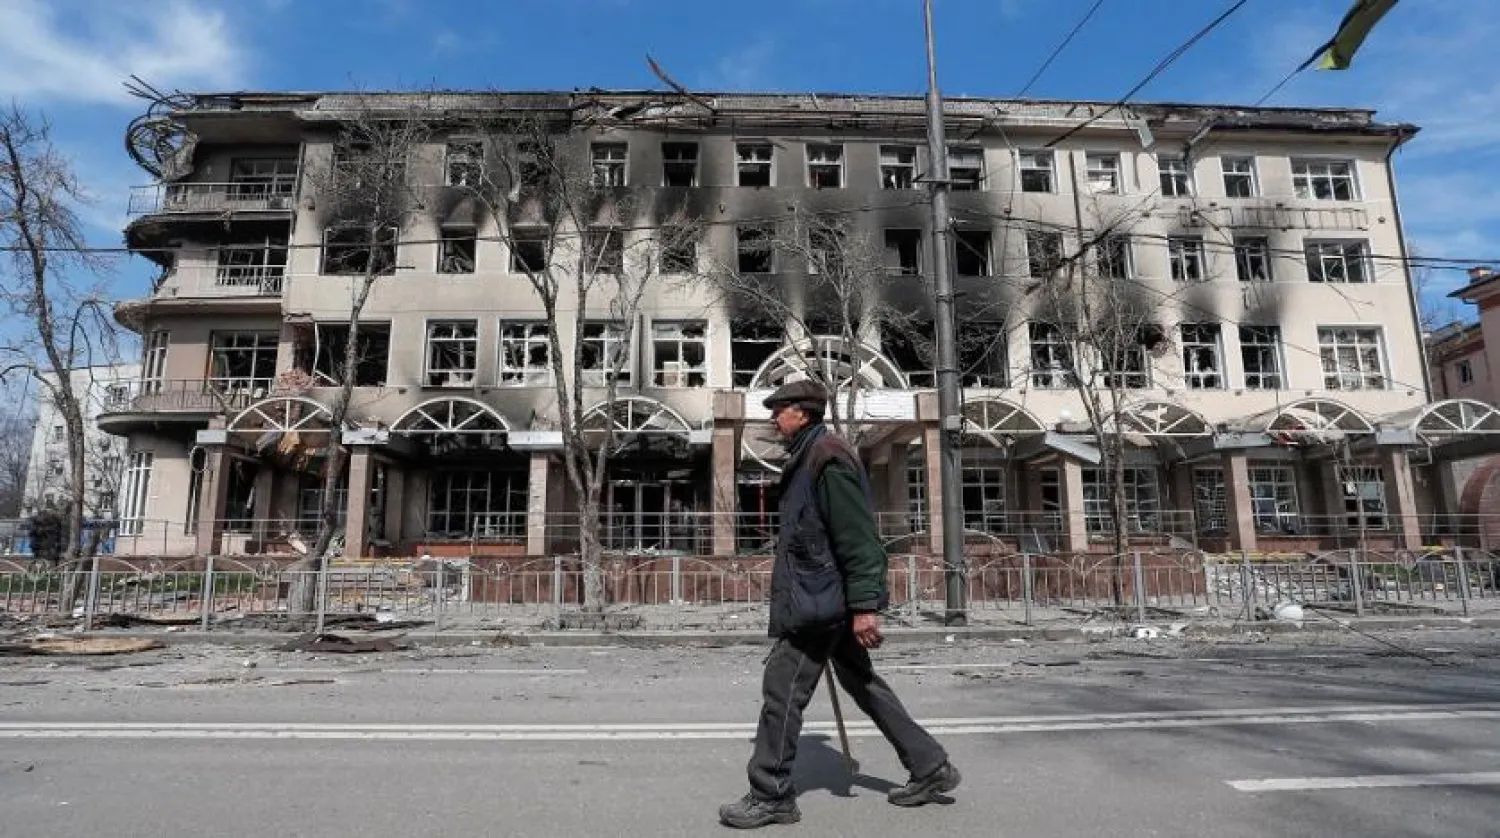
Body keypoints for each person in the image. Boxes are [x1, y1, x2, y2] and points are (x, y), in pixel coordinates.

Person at [719, 380, 960, 829]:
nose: (774, 417)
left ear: (803, 412)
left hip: (821, 601)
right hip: (822, 594)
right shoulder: (809, 455)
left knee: (782, 687)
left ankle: (771, 793)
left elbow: (858, 536)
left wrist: (865, 606)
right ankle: (930, 766)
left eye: (780, 410)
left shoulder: (827, 457)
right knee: (862, 682)